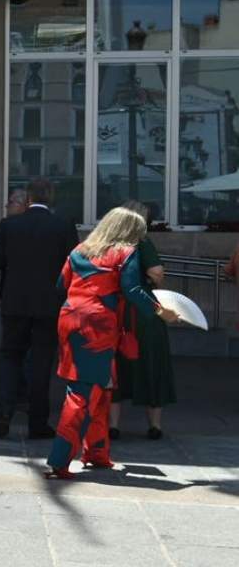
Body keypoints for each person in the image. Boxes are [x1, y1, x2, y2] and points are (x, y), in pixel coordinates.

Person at [46, 206, 179, 478]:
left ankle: (96, 452)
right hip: (99, 327)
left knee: (103, 386)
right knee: (82, 393)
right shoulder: (126, 252)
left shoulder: (80, 250)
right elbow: (132, 289)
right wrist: (159, 310)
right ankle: (59, 460)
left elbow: (62, 284)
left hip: (71, 320)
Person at [0, 178, 78, 439]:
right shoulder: (63, 225)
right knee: (41, 363)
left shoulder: (9, 225)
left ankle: (5, 412)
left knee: (10, 358)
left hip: (14, 304)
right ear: (51, 196)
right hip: (49, 306)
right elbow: (73, 264)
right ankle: (37, 422)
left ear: (28, 198)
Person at [112, 201, 176, 441]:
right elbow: (156, 272)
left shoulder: (109, 243)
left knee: (116, 367)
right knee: (152, 363)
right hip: (144, 311)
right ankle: (155, 425)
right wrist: (159, 283)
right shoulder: (143, 242)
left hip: (115, 311)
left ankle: (113, 424)